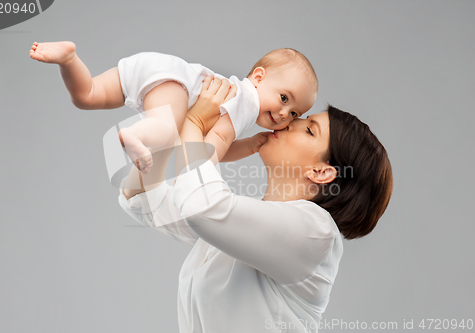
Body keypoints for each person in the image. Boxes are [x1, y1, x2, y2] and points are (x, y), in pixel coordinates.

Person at [118, 77, 393, 332]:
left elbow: (200, 207)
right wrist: (164, 130)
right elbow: (147, 203)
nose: (289, 122)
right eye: (301, 117)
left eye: (309, 130)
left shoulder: (316, 233)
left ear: (321, 172)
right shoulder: (248, 226)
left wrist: (195, 124)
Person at [29, 42, 318, 172]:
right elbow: (207, 152)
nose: (284, 114)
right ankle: (135, 136)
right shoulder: (247, 101)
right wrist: (201, 175)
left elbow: (218, 141)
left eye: (294, 113)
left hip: (153, 66)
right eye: (284, 98)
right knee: (166, 131)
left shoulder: (238, 110)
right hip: (174, 85)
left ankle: (68, 59)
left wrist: (250, 146)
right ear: (258, 77)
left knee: (86, 95)